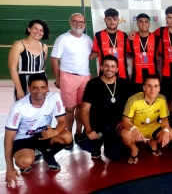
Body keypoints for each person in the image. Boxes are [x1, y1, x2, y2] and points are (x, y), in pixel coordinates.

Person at [4, 74, 73, 187]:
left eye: (43, 87)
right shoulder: (18, 107)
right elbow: (8, 139)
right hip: (24, 138)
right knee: (24, 162)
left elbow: (62, 122)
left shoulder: (54, 98)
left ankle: (48, 155)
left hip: (44, 134)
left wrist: (55, 132)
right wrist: (10, 167)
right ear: (29, 88)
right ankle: (25, 158)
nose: (39, 91)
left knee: (67, 137)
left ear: (47, 88)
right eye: (35, 87)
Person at [50, 13, 93, 148]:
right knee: (69, 109)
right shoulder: (63, 39)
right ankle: (68, 135)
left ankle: (78, 134)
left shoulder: (87, 39)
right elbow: (54, 60)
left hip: (85, 77)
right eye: (75, 21)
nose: (78, 24)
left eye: (81, 22)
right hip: (68, 77)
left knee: (82, 107)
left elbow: (93, 53)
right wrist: (58, 79)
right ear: (70, 22)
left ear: (85, 24)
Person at [79, 55, 133, 160]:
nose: (109, 69)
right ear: (101, 67)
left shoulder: (124, 84)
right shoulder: (92, 84)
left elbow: (131, 107)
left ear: (117, 69)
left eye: (113, 66)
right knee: (87, 144)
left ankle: (110, 143)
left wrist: (124, 121)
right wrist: (88, 129)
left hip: (116, 125)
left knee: (115, 156)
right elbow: (85, 109)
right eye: (106, 66)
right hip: (97, 125)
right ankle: (96, 146)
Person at [120, 75, 172, 164]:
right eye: (149, 86)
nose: (152, 89)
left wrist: (165, 131)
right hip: (136, 127)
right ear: (144, 88)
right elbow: (125, 121)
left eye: (156, 86)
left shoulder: (162, 99)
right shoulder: (133, 99)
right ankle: (134, 149)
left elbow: (164, 119)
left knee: (171, 133)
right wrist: (134, 129)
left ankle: (153, 143)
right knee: (125, 134)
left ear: (159, 88)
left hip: (152, 127)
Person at [8, 19, 50, 101]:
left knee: (42, 109)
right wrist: (19, 89)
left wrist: (45, 86)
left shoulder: (44, 47)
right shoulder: (19, 45)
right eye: (35, 29)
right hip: (24, 82)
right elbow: (12, 69)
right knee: (24, 109)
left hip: (40, 84)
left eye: (41, 30)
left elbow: (43, 68)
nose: (38, 32)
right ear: (29, 29)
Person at [90, 8, 130, 79]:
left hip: (122, 74)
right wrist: (81, 58)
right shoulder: (98, 35)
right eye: (109, 19)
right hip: (105, 73)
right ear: (104, 20)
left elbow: (127, 52)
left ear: (118, 20)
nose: (112, 22)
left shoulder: (124, 35)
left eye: (114, 19)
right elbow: (96, 52)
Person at [127, 13, 160, 93]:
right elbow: (128, 53)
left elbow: (163, 53)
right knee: (137, 101)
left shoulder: (157, 38)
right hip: (137, 76)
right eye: (141, 21)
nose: (143, 24)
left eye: (146, 22)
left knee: (153, 100)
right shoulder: (131, 38)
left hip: (153, 75)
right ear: (137, 24)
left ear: (149, 24)